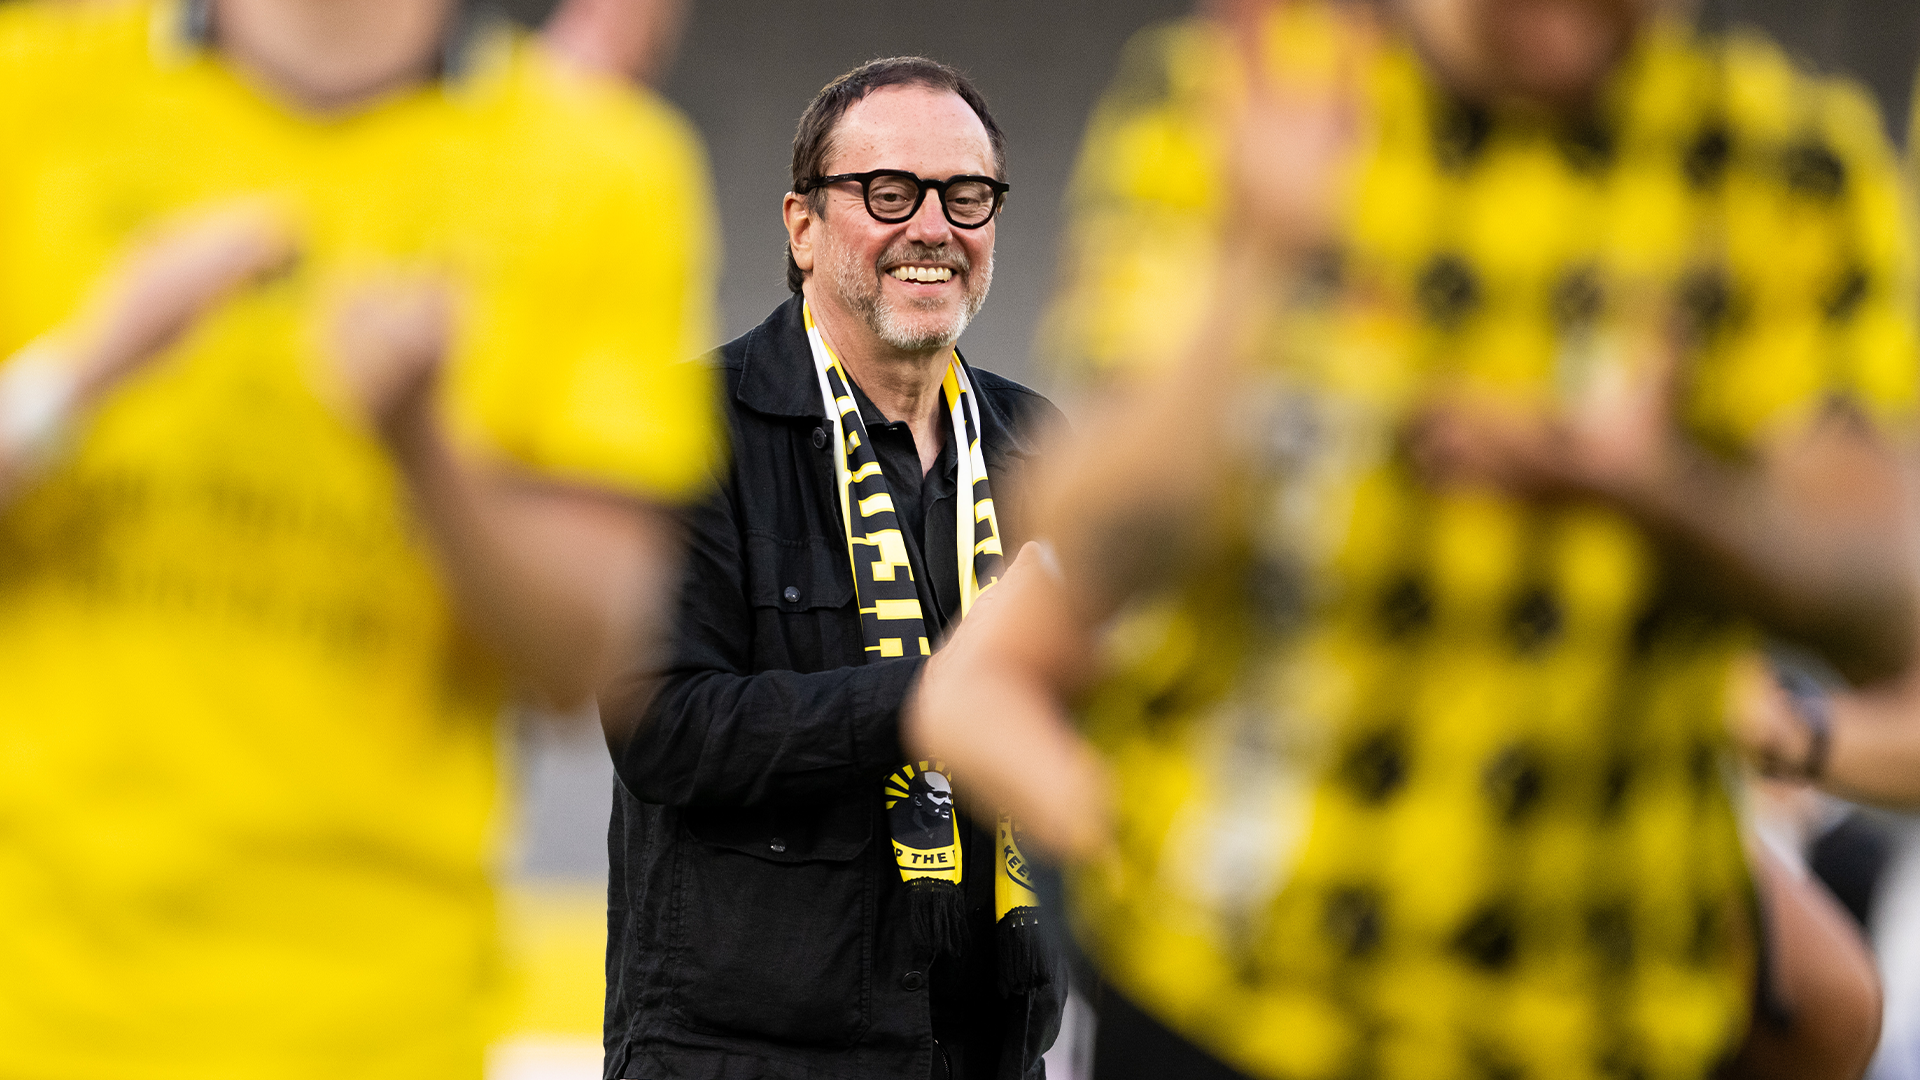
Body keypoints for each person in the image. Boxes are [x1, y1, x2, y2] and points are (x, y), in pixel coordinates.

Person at [907, 1, 1918, 1078]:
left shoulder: (1771, 155)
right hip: (1231, 1000)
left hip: (1592, 1020)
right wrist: (1259, 263)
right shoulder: (1262, 97)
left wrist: (1668, 505)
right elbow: (991, 666)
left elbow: (1881, 602)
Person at [0, 0, 718, 1074]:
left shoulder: (601, 164)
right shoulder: (33, 89)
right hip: (36, 1007)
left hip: (378, 1025)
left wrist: (422, 448)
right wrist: (88, 365)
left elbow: (585, 660)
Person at [599, 56, 1067, 1080]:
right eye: (890, 193)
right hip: (743, 1059)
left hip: (989, 1052)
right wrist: (939, 694)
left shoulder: (1038, 444)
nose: (934, 228)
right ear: (801, 226)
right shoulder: (685, 428)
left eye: (967, 196)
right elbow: (661, 730)